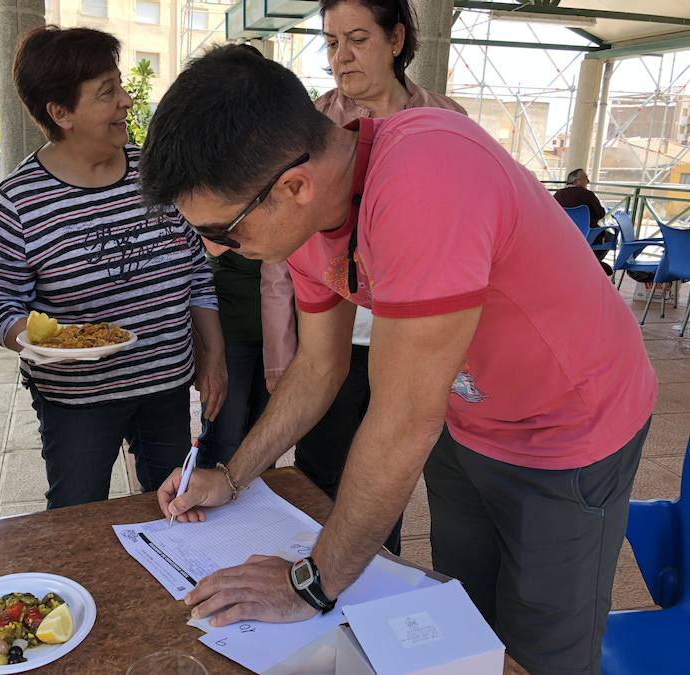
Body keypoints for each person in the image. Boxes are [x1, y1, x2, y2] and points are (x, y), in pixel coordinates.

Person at [141, 46, 657, 675]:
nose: (215, 252)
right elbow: (317, 368)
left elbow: (403, 418)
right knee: (462, 621)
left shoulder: (426, 175)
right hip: (469, 420)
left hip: (572, 426)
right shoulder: (308, 218)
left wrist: (312, 583)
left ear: (294, 186)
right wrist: (232, 472)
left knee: (544, 645)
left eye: (222, 232)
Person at [0, 26, 224, 509]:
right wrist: (37, 340)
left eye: (121, 87)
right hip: (77, 401)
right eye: (107, 92)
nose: (126, 102)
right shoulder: (19, 200)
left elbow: (197, 270)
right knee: (75, 516)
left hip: (165, 383)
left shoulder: (158, 174)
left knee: (174, 507)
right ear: (60, 113)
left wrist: (212, 357)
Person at [260, 0, 466, 555]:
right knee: (320, 473)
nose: (341, 57)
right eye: (330, 43)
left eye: (357, 39)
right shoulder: (312, 128)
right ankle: (310, 576)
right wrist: (283, 356)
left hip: (417, 341)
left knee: (389, 473)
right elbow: (282, 259)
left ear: (396, 39)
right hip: (335, 335)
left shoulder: (446, 124)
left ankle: (371, 575)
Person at [196, 240, 270, 468]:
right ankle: (210, 498)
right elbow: (213, 243)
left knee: (267, 436)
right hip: (231, 326)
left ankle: (260, 502)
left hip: (283, 330)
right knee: (225, 437)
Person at [554, 168, 613, 274]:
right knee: (610, 237)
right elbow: (601, 214)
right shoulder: (588, 195)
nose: (588, 181)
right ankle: (593, 262)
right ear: (576, 181)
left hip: (564, 234)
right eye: (585, 178)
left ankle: (585, 261)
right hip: (588, 236)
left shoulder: (558, 194)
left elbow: (552, 213)